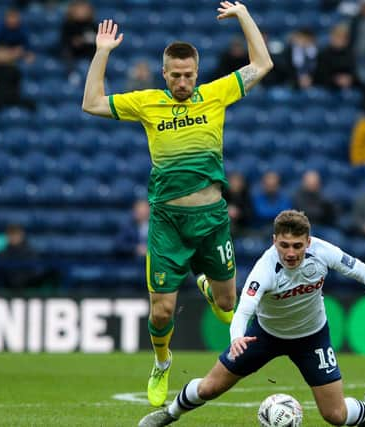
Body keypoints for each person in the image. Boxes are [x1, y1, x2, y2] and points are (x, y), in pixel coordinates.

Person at [81, 1, 273, 407]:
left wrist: (242, 16)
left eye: (188, 75)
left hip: (212, 219)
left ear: (196, 73)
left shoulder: (215, 94)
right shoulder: (147, 102)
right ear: (164, 74)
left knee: (226, 309)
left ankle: (204, 282)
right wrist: (102, 52)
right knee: (162, 314)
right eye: (176, 75)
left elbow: (263, 63)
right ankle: (162, 362)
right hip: (167, 221)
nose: (182, 81)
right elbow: (92, 103)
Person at [138, 210, 365, 427]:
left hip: (312, 337)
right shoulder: (264, 270)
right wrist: (237, 337)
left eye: (297, 246)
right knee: (209, 388)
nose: (290, 253)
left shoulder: (324, 251)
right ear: (274, 241)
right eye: (284, 245)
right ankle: (169, 414)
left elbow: (358, 268)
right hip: (264, 336)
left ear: (308, 242)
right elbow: (243, 311)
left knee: (335, 415)